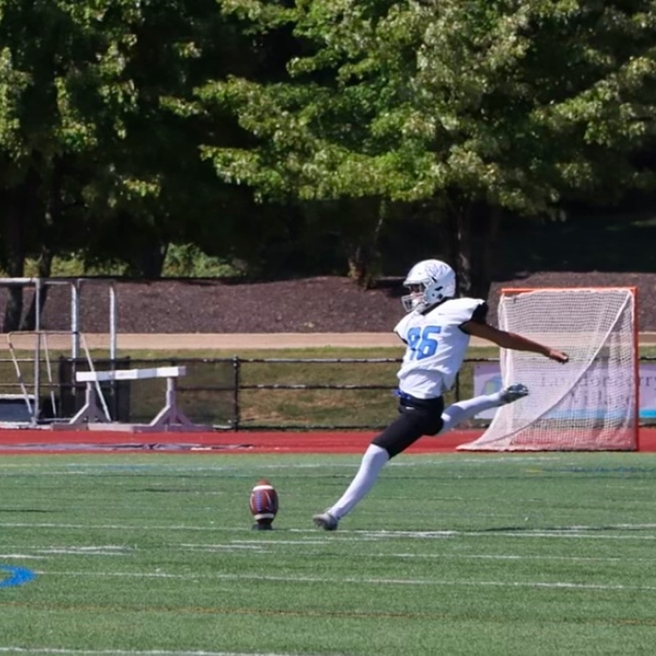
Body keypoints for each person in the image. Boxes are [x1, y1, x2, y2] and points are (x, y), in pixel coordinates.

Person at [312, 258, 569, 531]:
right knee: (440, 426)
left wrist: (545, 350)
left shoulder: (456, 312)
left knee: (376, 452)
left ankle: (336, 514)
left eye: (418, 288)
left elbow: (502, 338)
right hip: (416, 402)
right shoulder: (413, 321)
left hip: (421, 405)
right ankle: (497, 399)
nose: (412, 295)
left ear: (438, 287)